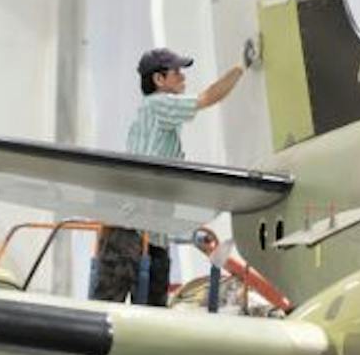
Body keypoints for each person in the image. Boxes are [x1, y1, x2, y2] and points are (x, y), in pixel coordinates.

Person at [91, 47, 245, 307]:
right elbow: (208, 97)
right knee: (112, 305)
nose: (183, 78)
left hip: (150, 231)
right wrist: (240, 69)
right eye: (176, 73)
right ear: (159, 80)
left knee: (150, 306)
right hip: (132, 229)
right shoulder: (158, 104)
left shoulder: (156, 119)